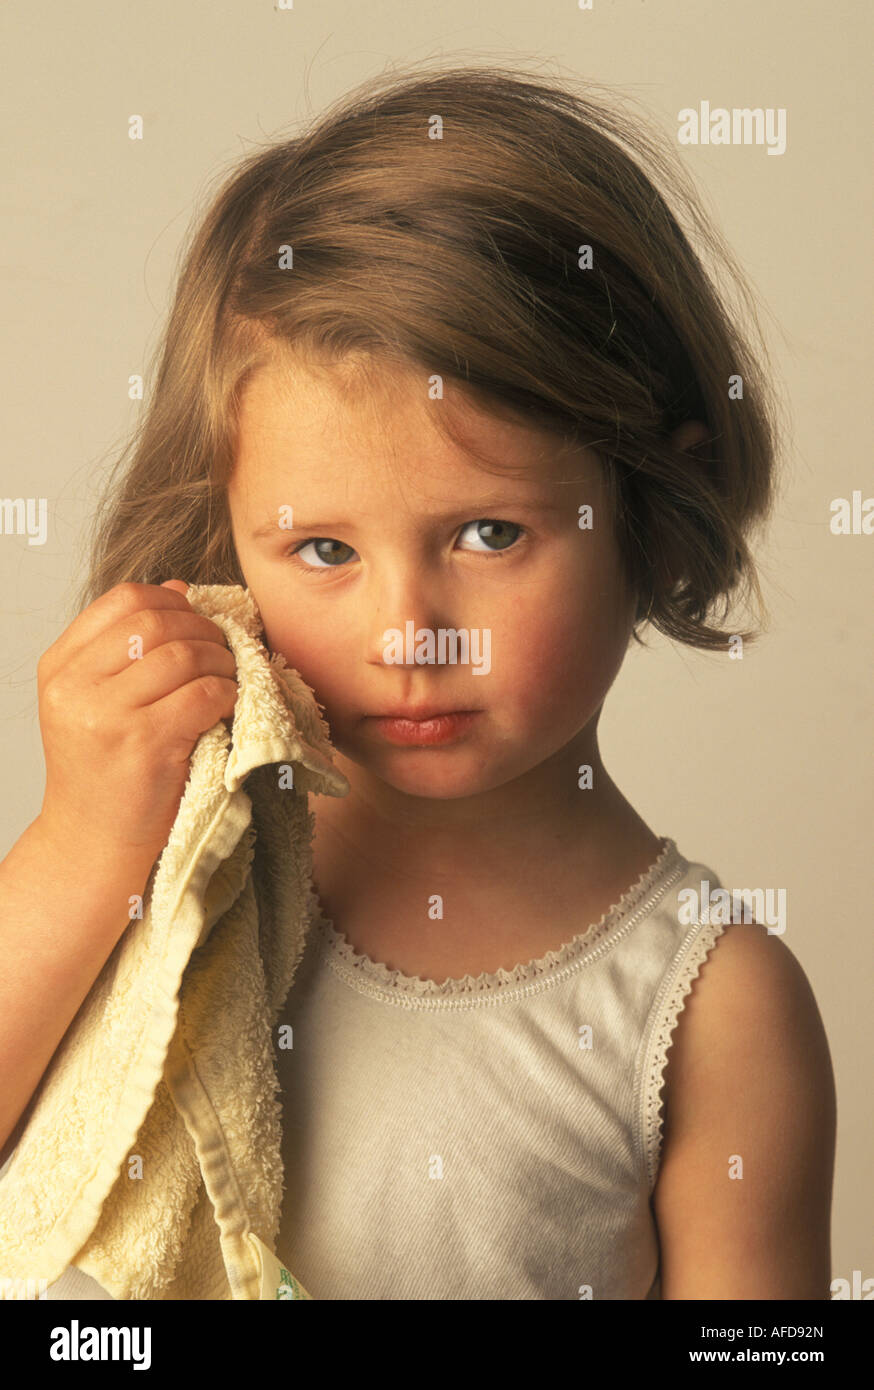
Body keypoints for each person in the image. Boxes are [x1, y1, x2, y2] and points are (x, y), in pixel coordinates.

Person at [0, 63, 835, 1299]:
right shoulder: (172, 856)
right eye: (323, 550)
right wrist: (80, 838)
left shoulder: (708, 1007)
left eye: (489, 535)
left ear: (649, 507)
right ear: (230, 544)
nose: (409, 634)